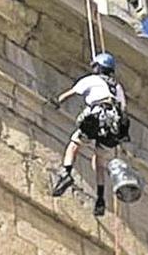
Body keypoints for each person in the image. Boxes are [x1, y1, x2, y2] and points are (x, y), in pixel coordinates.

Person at [50, 51, 130, 217]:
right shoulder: (118, 88)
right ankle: (100, 198)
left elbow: (71, 93)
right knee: (99, 161)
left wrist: (57, 101)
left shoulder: (91, 79)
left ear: (98, 67)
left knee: (74, 144)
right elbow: (123, 111)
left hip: (96, 118)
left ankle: (66, 173)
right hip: (112, 128)